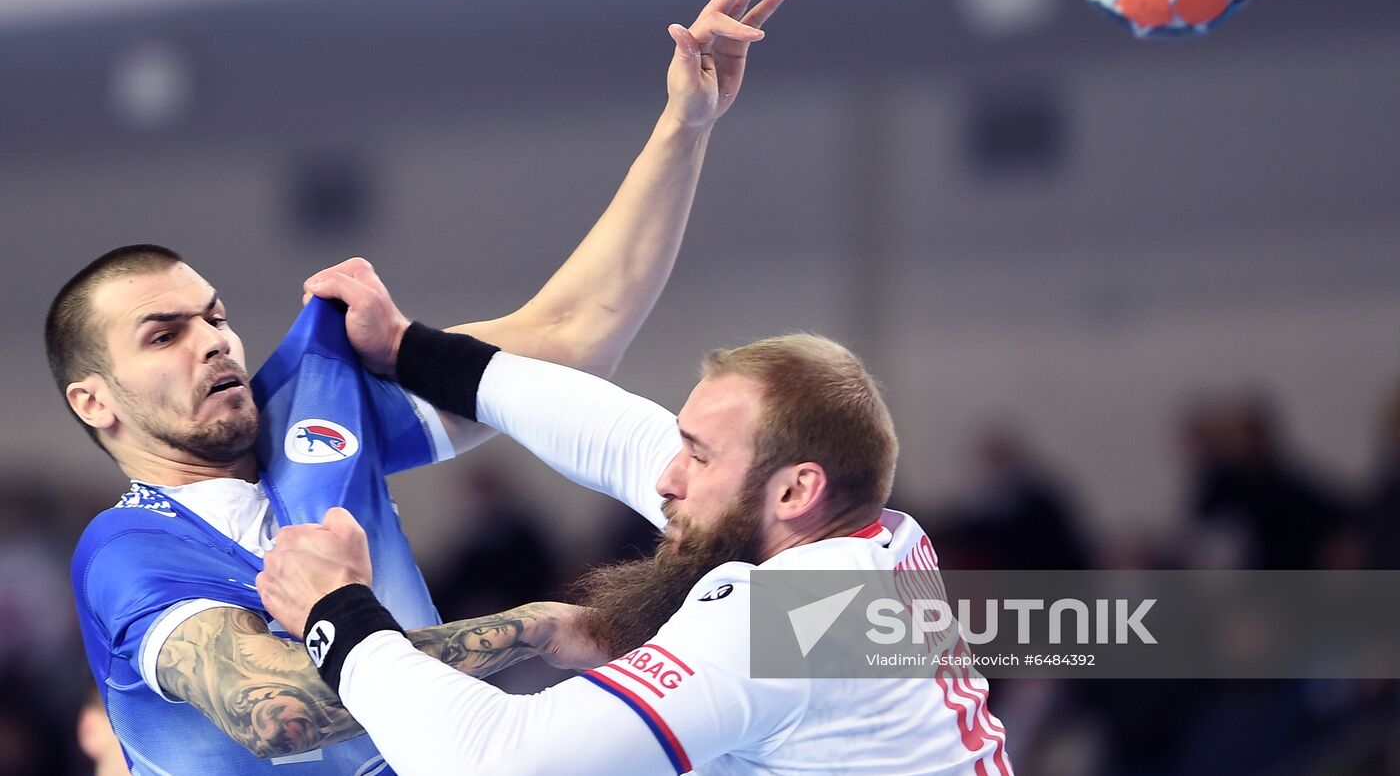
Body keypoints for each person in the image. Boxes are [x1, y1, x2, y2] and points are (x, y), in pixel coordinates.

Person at [56, 0, 787, 775]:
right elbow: (279, 712)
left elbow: (575, 340)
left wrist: (684, 126)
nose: (214, 340)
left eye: (216, 316)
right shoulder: (127, 546)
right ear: (93, 400)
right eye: (165, 334)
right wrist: (532, 628)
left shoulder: (824, 616)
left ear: (801, 491)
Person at [256, 272, 1014, 775]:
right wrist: (409, 348)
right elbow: (616, 433)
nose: (663, 477)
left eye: (697, 454)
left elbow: (490, 761)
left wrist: (339, 612)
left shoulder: (787, 618)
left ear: (795, 490)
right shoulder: (867, 539)